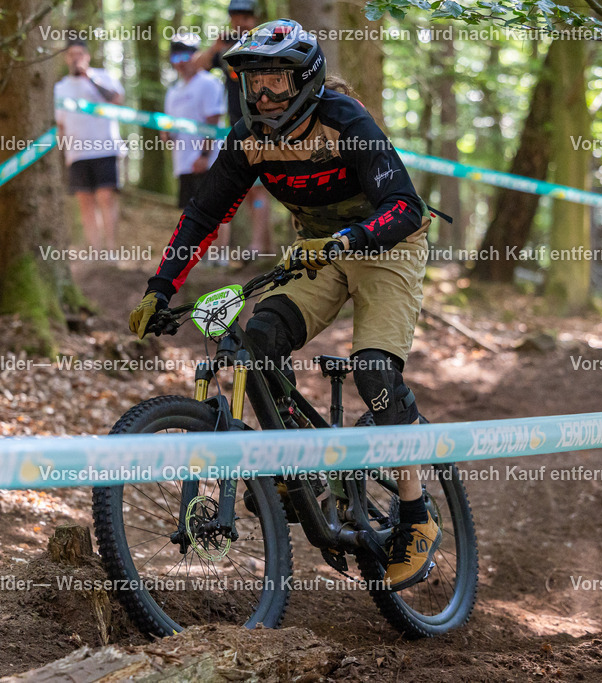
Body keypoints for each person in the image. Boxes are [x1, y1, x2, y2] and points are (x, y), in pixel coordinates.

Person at [129, 20, 439, 591]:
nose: (264, 95)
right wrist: (160, 287)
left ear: (305, 80)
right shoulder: (249, 136)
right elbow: (203, 214)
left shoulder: (346, 121)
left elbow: (406, 206)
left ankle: (416, 515)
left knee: (374, 367)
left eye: (276, 81)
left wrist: (352, 240)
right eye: (255, 83)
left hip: (387, 247)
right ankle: (292, 462)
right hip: (315, 253)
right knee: (258, 338)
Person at [191, 0, 274, 259]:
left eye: (246, 17)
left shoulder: (266, 41)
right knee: (249, 188)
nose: (241, 22)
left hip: (265, 123)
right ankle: (262, 245)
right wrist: (217, 46)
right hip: (238, 127)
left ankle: (260, 246)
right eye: (236, 17)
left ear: (255, 18)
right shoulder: (228, 47)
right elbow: (197, 65)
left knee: (260, 188)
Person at [162, 34, 229, 265]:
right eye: (176, 56)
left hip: (208, 160)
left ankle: (220, 256)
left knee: (215, 208)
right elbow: (170, 126)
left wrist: (204, 155)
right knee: (190, 211)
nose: (182, 61)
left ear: (196, 55)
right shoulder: (173, 91)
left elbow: (212, 120)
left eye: (186, 55)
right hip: (182, 161)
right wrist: (166, 134)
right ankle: (198, 256)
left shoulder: (209, 83)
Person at [54, 38, 124, 251]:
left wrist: (90, 78)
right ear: (66, 58)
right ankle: (95, 250)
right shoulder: (60, 87)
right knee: (85, 202)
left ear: (87, 56)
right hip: (77, 154)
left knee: (106, 197)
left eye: (79, 54)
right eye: (71, 55)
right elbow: (60, 124)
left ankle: (111, 249)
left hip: (105, 148)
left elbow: (117, 99)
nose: (76, 59)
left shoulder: (103, 77)